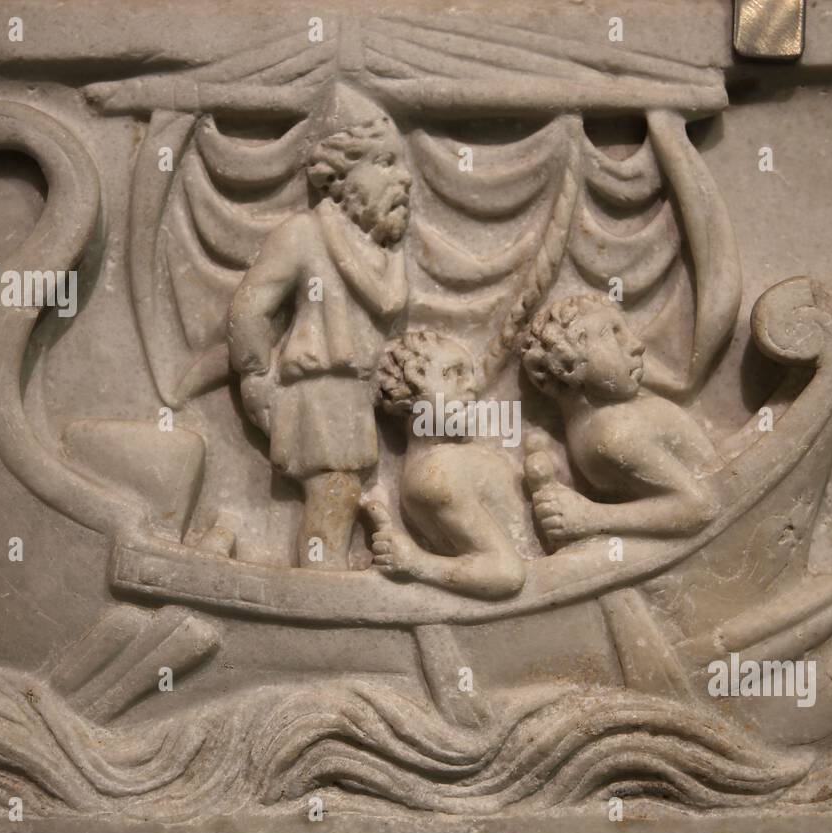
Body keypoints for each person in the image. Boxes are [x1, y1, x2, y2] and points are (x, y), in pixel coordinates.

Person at [227, 87, 411, 569]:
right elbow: (250, 309)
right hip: (317, 391)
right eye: (387, 163)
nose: (405, 178)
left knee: (341, 496)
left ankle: (323, 579)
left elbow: (387, 309)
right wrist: (257, 383)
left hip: (354, 395)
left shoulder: (380, 251)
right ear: (344, 174)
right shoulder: (305, 234)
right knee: (333, 494)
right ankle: (320, 586)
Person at [518, 293, 721, 543]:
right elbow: (699, 505)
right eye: (613, 333)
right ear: (568, 365)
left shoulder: (613, 432)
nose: (637, 344)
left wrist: (593, 517)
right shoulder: (613, 433)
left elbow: (700, 507)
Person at [364, 330, 528, 598]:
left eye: (471, 373)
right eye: (453, 373)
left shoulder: (444, 465)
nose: (472, 385)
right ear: (412, 385)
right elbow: (506, 571)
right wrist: (416, 563)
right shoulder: (437, 477)